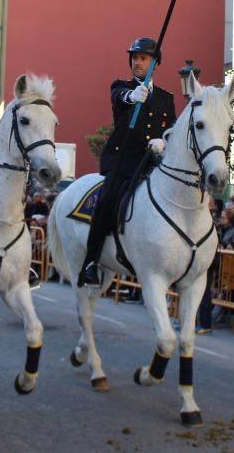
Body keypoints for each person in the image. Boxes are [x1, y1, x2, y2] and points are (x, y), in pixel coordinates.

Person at [77, 37, 176, 287]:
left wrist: (163, 141)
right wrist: (133, 96)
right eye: (134, 57)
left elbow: (171, 129)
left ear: (155, 63)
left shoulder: (166, 97)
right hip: (123, 161)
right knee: (107, 201)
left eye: (143, 58)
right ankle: (91, 261)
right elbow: (119, 97)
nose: (137, 62)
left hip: (153, 163)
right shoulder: (121, 86)